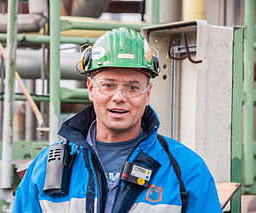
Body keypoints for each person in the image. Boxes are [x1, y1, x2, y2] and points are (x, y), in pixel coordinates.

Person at [13, 27, 221, 213]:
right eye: (109, 85)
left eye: (133, 87)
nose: (119, 97)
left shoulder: (187, 171)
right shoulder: (44, 170)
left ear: (147, 93)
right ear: (91, 88)